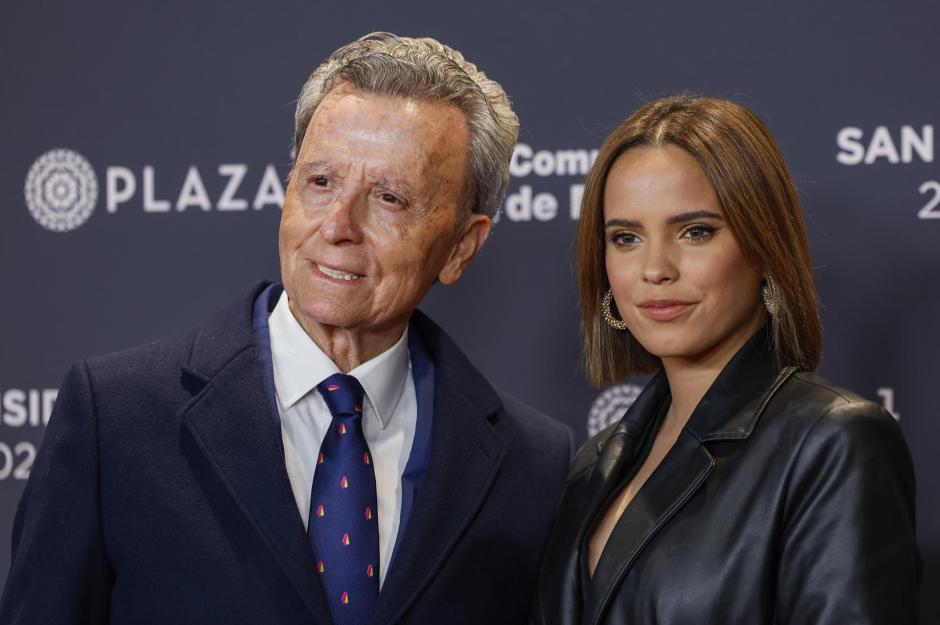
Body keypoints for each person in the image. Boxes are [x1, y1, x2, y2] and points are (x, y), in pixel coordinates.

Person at [1, 33, 571, 625]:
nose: (337, 226)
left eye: (391, 198)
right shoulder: (115, 419)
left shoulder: (533, 464)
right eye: (321, 181)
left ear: (460, 247)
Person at [532, 95, 920, 625]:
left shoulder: (834, 442)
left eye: (695, 232)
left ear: (763, 247)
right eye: (626, 238)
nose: (655, 268)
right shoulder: (595, 462)